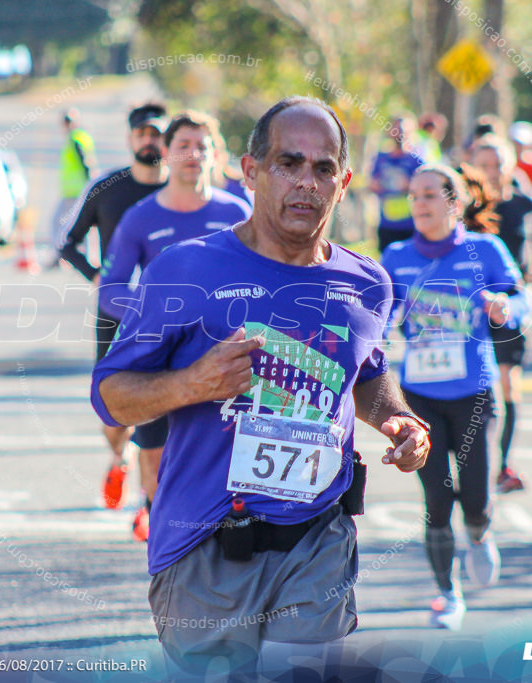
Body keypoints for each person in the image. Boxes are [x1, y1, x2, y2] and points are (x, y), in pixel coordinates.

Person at [91, 96, 430, 679]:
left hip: (317, 541)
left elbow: (367, 374)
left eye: (323, 169)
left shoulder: (367, 282)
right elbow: (111, 394)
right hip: (204, 547)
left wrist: (399, 420)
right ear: (250, 172)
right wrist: (192, 382)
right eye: (287, 163)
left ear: (343, 182)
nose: (306, 182)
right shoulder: (185, 269)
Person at [381, 164, 528, 630]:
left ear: (453, 201)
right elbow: (379, 314)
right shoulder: (397, 256)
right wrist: (380, 329)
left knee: (477, 496)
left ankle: (481, 532)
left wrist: (506, 309)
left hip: (475, 393)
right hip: (420, 396)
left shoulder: (485, 250)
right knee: (437, 498)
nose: (419, 204)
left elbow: (520, 300)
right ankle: (447, 593)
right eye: (413, 195)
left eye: (429, 195)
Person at [98, 111, 252, 541]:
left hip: (228, 360)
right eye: (183, 145)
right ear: (166, 153)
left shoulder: (237, 212)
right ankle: (165, 537)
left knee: (226, 466)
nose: (192, 154)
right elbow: (110, 288)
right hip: (161, 363)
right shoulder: (140, 217)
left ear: (215, 155)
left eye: (201, 146)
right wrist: (156, 314)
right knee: (156, 465)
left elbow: (265, 277)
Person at [57, 102, 169, 510]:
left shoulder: (180, 192)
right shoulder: (108, 189)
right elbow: (67, 242)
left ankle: (148, 503)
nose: (148, 140)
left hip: (169, 318)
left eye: (156, 133)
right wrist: (95, 275)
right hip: (116, 314)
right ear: (130, 139)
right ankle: (119, 455)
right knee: (113, 412)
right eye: (142, 134)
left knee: (162, 408)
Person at [470, 136, 532, 494]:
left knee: (508, 386)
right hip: (471, 309)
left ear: (510, 165)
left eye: (498, 164)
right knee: (474, 387)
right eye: (484, 165)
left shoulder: (523, 202)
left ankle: (502, 466)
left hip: (511, 306)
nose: (492, 172)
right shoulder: (465, 209)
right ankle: (469, 462)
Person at [369, 113, 425, 251]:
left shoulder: (416, 160)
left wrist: (409, 186)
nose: (399, 134)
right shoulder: (381, 158)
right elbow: (373, 184)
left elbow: (424, 187)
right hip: (387, 224)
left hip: (412, 225)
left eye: (403, 130)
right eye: (396, 130)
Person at [51, 109, 98, 247]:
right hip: (75, 190)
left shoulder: (75, 138)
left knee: (58, 222)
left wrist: (91, 185)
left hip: (77, 191)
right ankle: (80, 254)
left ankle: (59, 253)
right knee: (82, 223)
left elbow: (86, 162)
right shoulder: (81, 136)